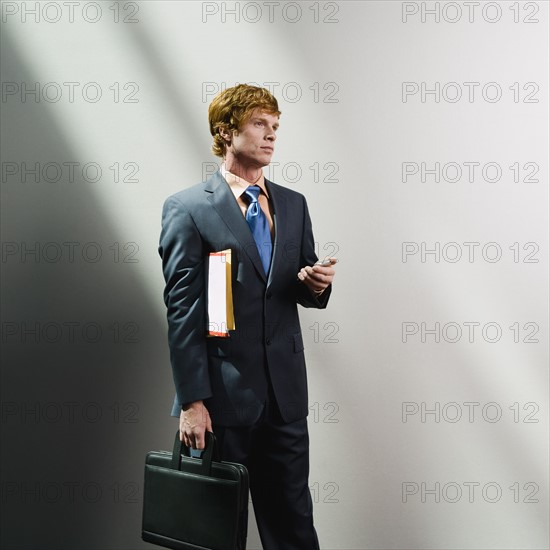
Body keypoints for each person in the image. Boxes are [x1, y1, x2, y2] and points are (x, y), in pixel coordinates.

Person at [159, 83, 336, 549]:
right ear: (225, 130)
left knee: (294, 529)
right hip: (220, 401)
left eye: (276, 126)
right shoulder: (189, 208)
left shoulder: (294, 204)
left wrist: (317, 285)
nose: (271, 135)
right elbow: (183, 312)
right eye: (260, 124)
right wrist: (193, 403)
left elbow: (294, 287)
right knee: (215, 534)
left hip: (285, 399)